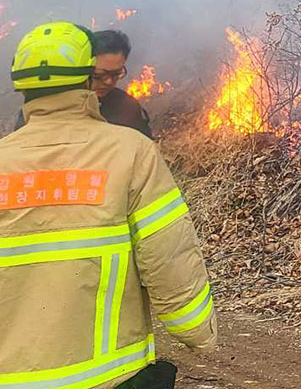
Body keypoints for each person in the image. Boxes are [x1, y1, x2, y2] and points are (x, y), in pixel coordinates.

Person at [0, 22, 216, 388]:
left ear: (20, 86)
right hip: (107, 374)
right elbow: (168, 254)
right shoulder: (132, 153)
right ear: (87, 77)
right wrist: (196, 329)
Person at [13, 28, 152, 138]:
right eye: (99, 75)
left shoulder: (126, 106)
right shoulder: (48, 106)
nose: (109, 81)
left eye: (116, 74)